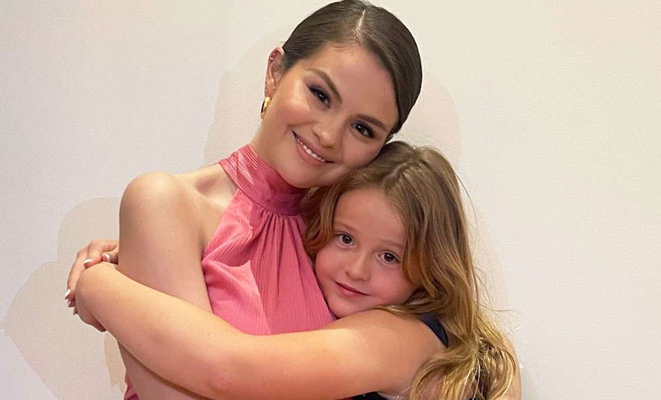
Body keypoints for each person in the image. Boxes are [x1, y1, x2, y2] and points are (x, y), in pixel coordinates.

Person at [65, 1, 423, 399]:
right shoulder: (165, 204)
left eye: (362, 128)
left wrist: (97, 284)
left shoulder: (344, 245)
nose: (328, 135)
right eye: (320, 95)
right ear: (275, 72)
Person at [74, 142, 521, 399]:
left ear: (430, 267)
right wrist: (137, 252)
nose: (357, 270)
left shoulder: (399, 338)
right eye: (345, 238)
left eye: (389, 257)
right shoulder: (436, 337)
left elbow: (227, 369)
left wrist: (98, 285)